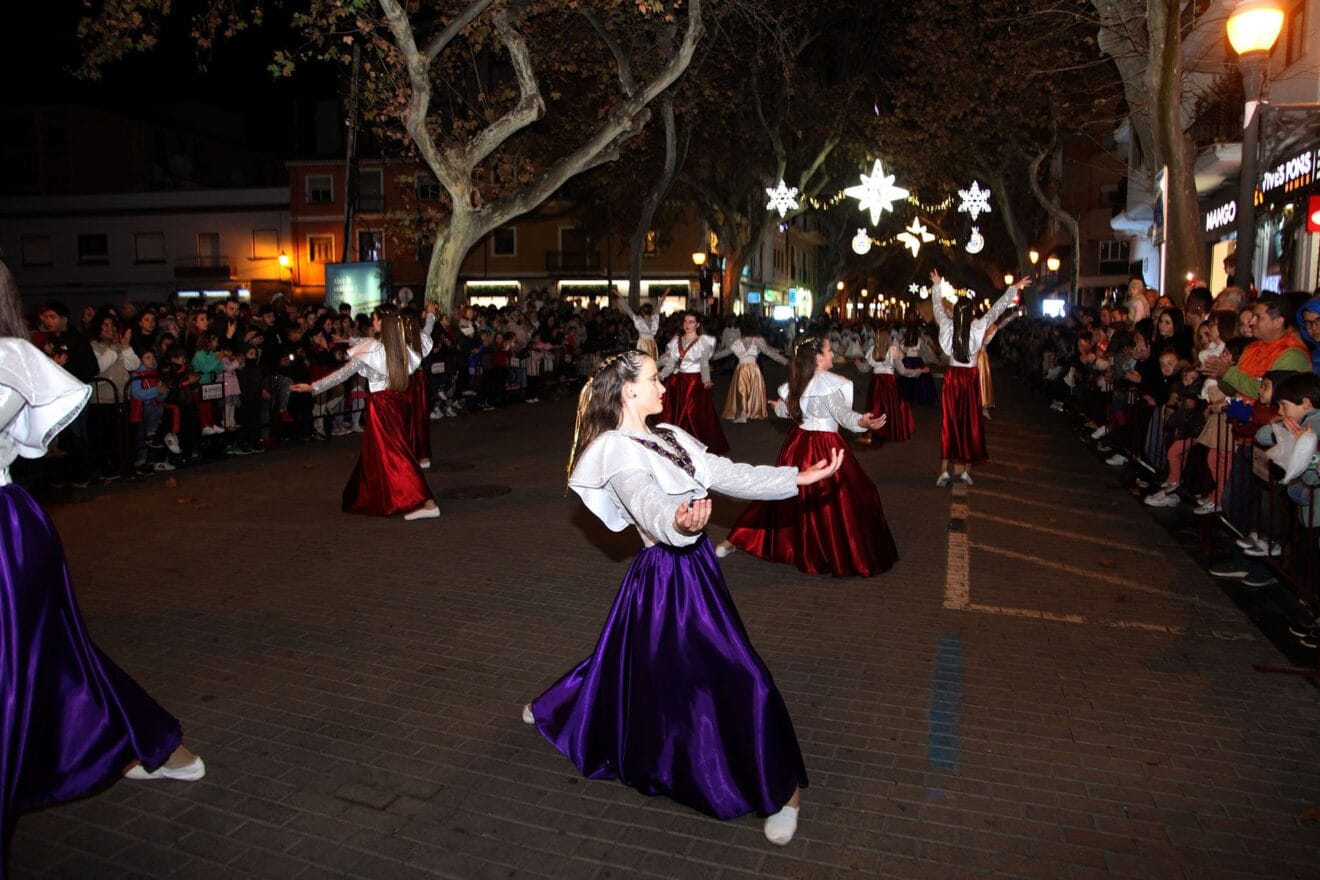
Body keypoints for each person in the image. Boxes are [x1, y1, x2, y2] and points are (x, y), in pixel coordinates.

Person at [522, 350, 844, 846]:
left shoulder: (669, 436)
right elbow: (645, 503)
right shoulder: (616, 451)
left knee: (630, 664)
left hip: (696, 571)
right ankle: (782, 792)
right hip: (663, 578)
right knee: (733, 675)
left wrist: (794, 480)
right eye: (654, 379)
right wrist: (675, 522)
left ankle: (782, 793)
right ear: (628, 391)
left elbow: (723, 470)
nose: (664, 387)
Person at [1, 262, 203, 876]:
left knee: (28, 666)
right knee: (46, 661)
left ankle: (136, 743)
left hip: (4, 538)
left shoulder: (10, 357)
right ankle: (135, 742)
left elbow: (32, 431)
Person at [719, 336, 898, 577]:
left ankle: (738, 539)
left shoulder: (801, 380)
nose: (833, 354)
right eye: (829, 350)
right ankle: (826, 551)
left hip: (798, 445)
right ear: (818, 358)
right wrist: (861, 421)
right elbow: (842, 414)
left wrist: (776, 406)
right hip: (824, 448)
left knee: (782, 497)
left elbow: (790, 410)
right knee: (847, 496)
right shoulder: (825, 383)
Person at [290, 306, 439, 520]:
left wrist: (313, 387)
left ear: (381, 323)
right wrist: (348, 341)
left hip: (382, 406)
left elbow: (343, 373)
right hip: (397, 403)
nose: (373, 322)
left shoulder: (375, 349)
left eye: (375, 319)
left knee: (397, 453)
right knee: (378, 453)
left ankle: (427, 501)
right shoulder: (400, 348)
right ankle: (385, 495)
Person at [930, 271, 1030, 486]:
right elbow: (996, 310)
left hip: (952, 378)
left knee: (949, 423)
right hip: (969, 379)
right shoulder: (977, 326)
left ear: (956, 312)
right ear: (973, 311)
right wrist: (1014, 288)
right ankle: (966, 470)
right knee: (970, 422)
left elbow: (938, 309)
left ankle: (944, 471)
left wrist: (937, 286)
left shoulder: (948, 327)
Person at [658, 312, 729, 454]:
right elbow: (671, 363)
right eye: (685, 321)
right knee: (678, 412)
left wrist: (706, 380)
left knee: (691, 413)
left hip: (694, 383)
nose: (687, 325)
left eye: (691, 322)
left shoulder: (703, 341)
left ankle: (695, 444)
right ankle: (680, 443)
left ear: (697, 325)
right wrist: (661, 375)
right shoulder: (676, 341)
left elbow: (704, 363)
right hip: (679, 382)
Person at [712, 317, 789, 423]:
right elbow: (769, 352)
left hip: (741, 368)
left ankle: (743, 414)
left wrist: (709, 357)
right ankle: (752, 410)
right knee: (753, 391)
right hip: (754, 369)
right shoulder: (757, 341)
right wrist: (785, 361)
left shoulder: (738, 342)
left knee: (742, 391)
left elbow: (725, 352)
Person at [855, 325, 916, 443]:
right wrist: (917, 372)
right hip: (890, 383)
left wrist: (858, 363)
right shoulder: (893, 350)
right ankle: (892, 430)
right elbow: (902, 371)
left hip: (876, 382)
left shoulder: (873, 350)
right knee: (892, 407)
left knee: (875, 407)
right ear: (888, 337)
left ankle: (875, 431)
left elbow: (864, 369)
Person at [976, 309, 1020, 419]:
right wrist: (1013, 315)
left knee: (982, 381)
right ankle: (980, 407)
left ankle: (983, 407)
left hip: (980, 358)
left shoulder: (985, 328)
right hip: (978, 358)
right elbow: (1001, 324)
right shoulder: (978, 328)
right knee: (980, 381)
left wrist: (1013, 315)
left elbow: (1000, 325)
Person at [611, 291, 660, 361]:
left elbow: (628, 309)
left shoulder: (652, 319)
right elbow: (659, 306)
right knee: (645, 363)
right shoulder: (641, 319)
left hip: (648, 344)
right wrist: (620, 296)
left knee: (648, 364)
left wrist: (620, 296)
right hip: (646, 344)